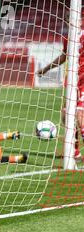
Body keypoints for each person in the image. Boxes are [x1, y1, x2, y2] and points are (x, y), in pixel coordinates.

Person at [37, 32, 84, 161]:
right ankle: (75, 152)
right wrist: (45, 69)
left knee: (79, 114)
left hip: (83, 79)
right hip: (73, 80)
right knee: (66, 115)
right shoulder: (68, 37)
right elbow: (64, 56)